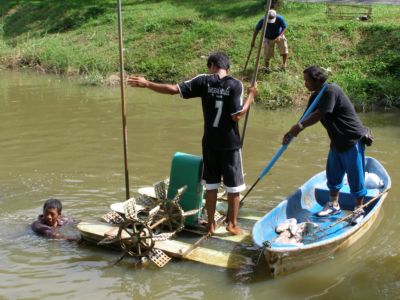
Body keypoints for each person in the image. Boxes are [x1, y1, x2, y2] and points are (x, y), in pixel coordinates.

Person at [127, 52, 257, 235]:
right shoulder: (235, 85)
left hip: (210, 142)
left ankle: (211, 225)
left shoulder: (204, 81)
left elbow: (173, 89)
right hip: (230, 145)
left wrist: (147, 83)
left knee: (211, 186)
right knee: (234, 187)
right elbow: (237, 115)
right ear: (227, 67)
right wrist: (251, 95)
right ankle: (232, 224)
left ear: (211, 66)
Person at [282, 66, 370, 225]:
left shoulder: (331, 90)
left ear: (317, 80)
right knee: (333, 174)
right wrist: (291, 132)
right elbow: (305, 117)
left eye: (307, 81)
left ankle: (358, 208)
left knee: (355, 175)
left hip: (352, 139)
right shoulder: (315, 96)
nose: (305, 84)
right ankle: (334, 204)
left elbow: (320, 114)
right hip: (336, 141)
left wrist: (299, 128)